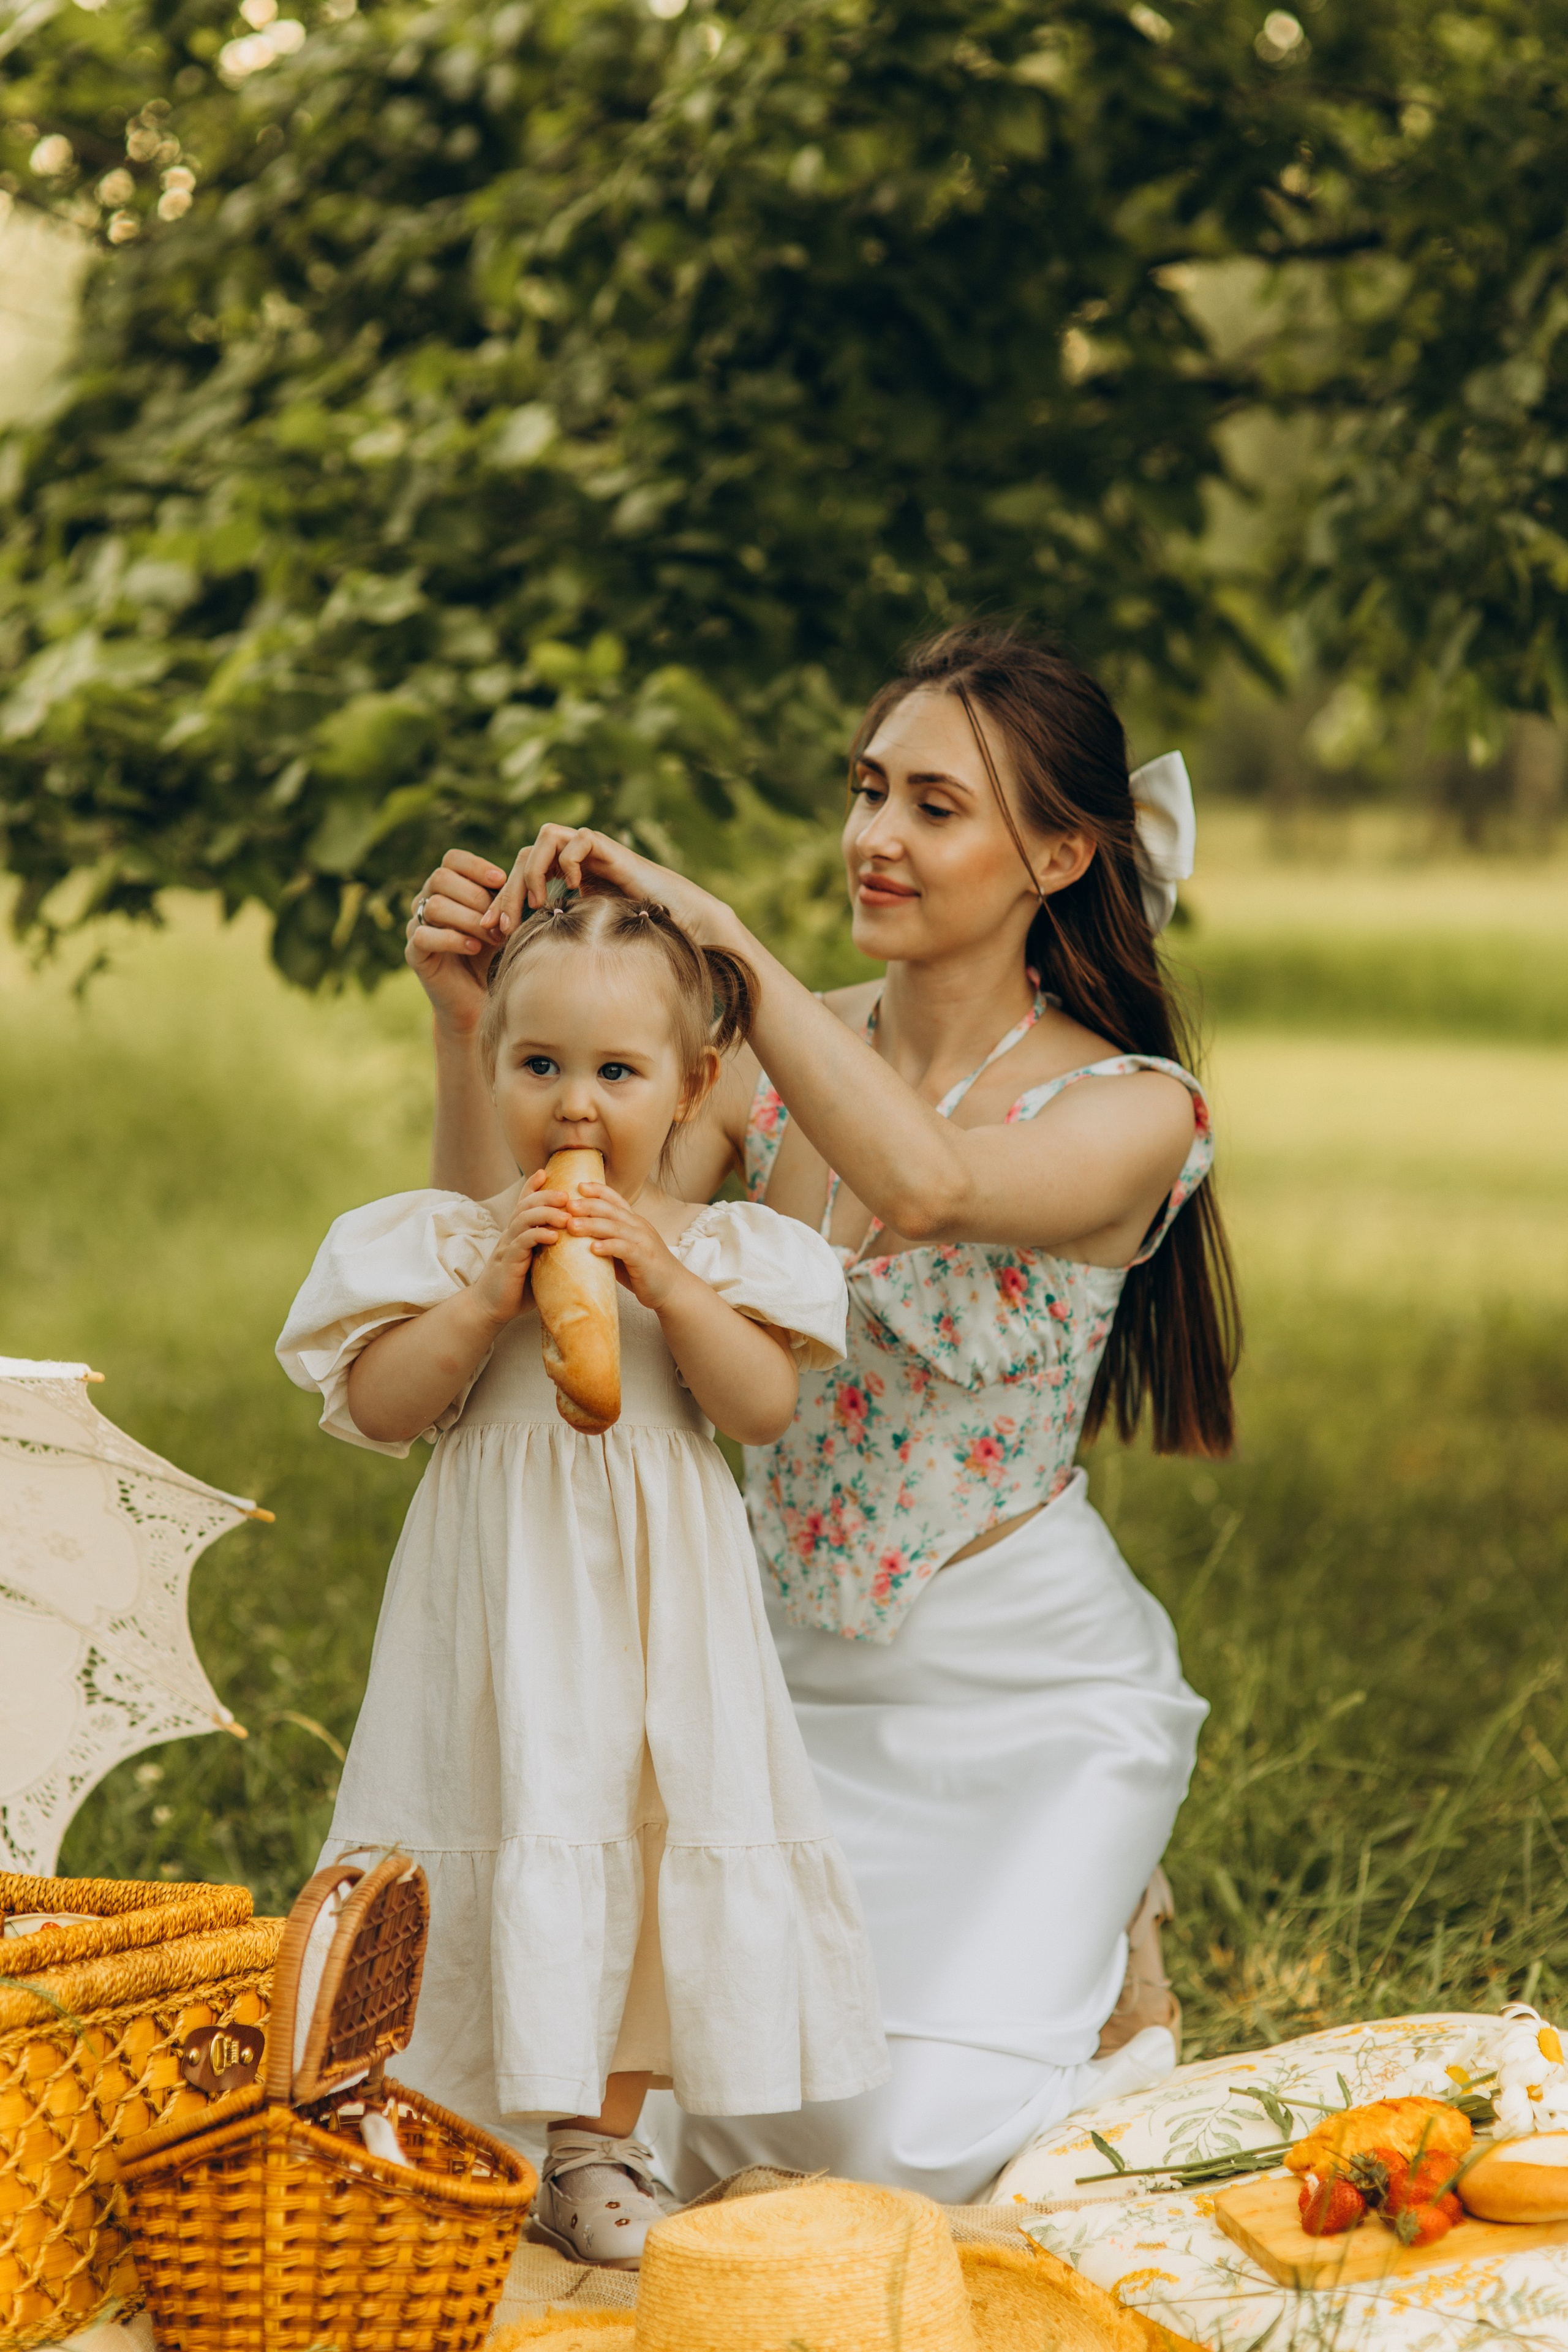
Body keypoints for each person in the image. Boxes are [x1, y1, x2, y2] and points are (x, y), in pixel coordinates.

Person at [405, 623, 1240, 2204]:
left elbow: (926, 1181)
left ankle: (1114, 1948)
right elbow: (519, 1273)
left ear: (1061, 854)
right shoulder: (751, 1074)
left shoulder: (1136, 1110)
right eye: (869, 791)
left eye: (935, 807)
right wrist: (464, 1031)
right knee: (625, 2123)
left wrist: (716, 931)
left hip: (1019, 1692)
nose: (875, 837)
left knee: (881, 2153)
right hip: (761, 1673)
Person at [276, 892, 889, 2266]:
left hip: (655, 1628)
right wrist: (482, 1296)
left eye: (616, 1073)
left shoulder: (723, 1251)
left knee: (638, 1835)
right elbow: (381, 1408)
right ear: (487, 1061)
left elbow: (755, 1411)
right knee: (482, 1816)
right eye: (537, 1064)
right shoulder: (444, 1243)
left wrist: (665, 1282)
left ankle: (601, 2144)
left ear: (693, 1084)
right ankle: (457, 2128)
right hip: (492, 1621)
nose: (572, 1106)